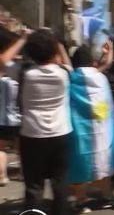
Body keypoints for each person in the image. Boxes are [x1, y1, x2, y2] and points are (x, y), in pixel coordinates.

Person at [18, 29, 72, 215]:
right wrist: (58, 44)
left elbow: (2, 60)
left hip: (31, 134)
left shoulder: (25, 73)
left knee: (34, 185)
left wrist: (24, 38)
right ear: (54, 50)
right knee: (60, 181)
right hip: (61, 133)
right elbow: (67, 64)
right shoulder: (64, 74)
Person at [67, 42, 114, 213]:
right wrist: (109, 51)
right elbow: (105, 65)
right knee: (104, 161)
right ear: (92, 62)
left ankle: (81, 200)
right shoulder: (100, 77)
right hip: (103, 129)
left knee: (79, 162)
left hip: (80, 130)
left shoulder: (71, 77)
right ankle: (107, 196)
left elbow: (103, 65)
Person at [0, 31, 28, 186]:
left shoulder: (8, 69)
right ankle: (24, 173)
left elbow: (4, 59)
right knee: (21, 148)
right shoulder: (27, 69)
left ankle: (3, 176)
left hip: (3, 118)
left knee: (1, 147)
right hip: (21, 117)